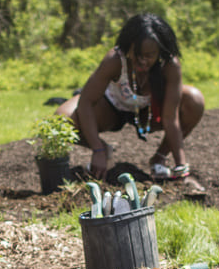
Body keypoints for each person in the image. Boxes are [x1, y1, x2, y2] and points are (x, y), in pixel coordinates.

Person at [55, 13, 205, 186]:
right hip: (110, 109)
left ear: (160, 52)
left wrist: (181, 167)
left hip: (147, 114)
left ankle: (159, 158)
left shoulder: (169, 66)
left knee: (194, 100)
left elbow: (170, 118)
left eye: (149, 55)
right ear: (128, 48)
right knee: (61, 120)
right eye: (137, 54)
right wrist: (97, 149)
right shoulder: (115, 59)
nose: (142, 60)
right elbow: (86, 102)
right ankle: (105, 150)